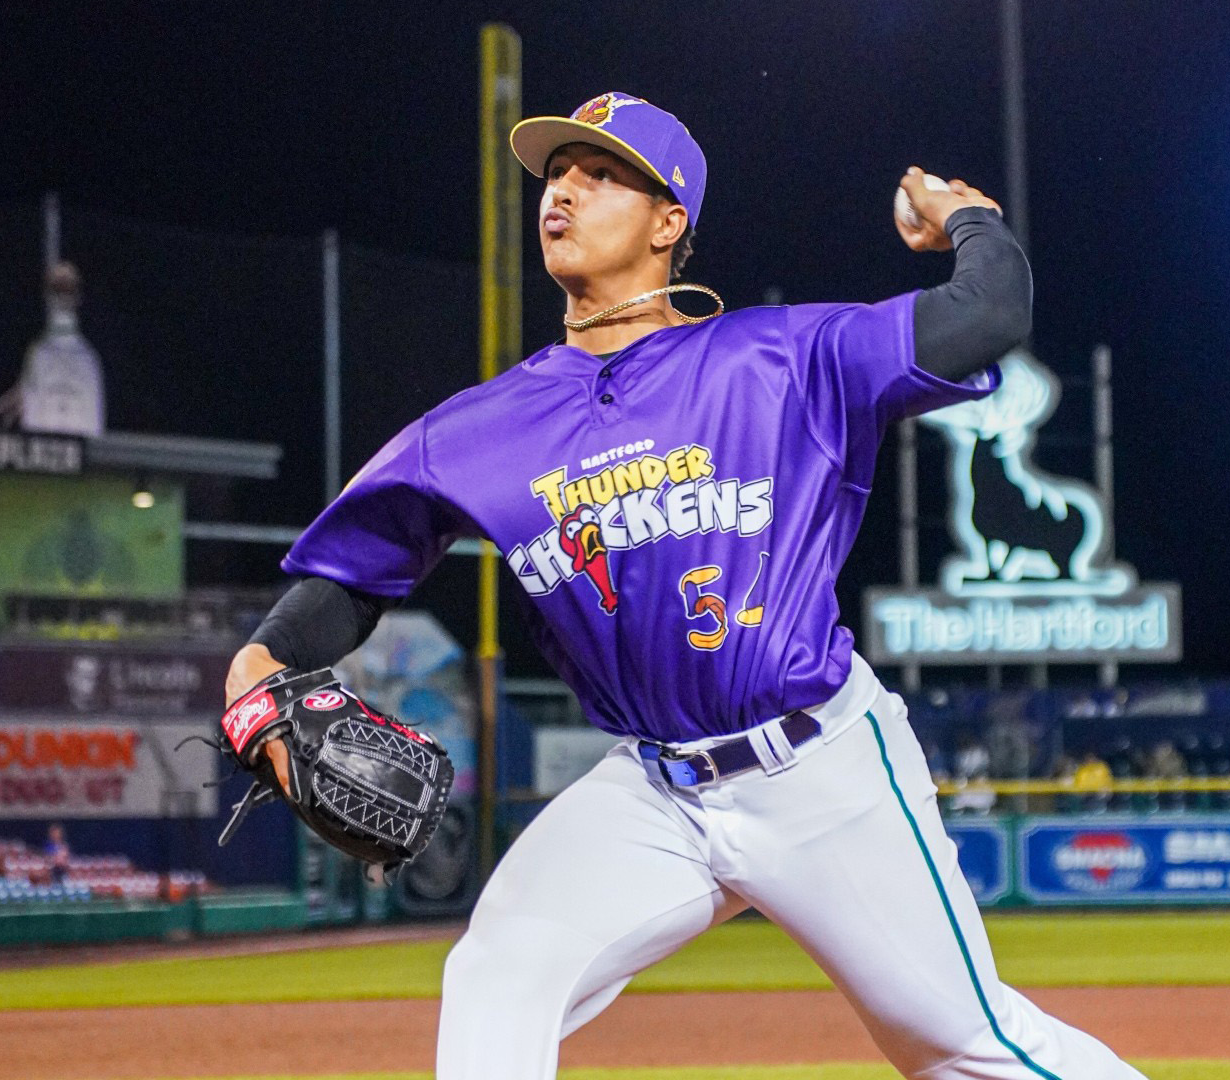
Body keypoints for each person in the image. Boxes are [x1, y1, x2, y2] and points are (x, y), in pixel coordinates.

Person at [224, 92, 1143, 1080]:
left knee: (960, 1045)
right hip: (654, 790)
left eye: (601, 174)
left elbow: (989, 315)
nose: (563, 192)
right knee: (497, 971)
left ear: (669, 224)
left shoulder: (781, 356)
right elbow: (351, 575)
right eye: (557, 174)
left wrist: (970, 219)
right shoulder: (480, 428)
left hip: (820, 769)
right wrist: (260, 662)